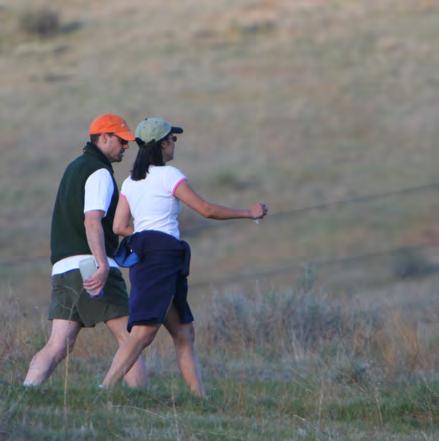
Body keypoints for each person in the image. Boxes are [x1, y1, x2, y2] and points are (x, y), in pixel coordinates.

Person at [101, 117, 268, 396]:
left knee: (184, 333)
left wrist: (145, 235)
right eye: (172, 139)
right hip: (162, 258)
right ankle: (104, 389)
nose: (174, 143)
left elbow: (119, 227)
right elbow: (206, 210)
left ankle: (200, 398)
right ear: (162, 144)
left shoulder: (131, 182)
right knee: (143, 332)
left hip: (151, 256)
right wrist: (248, 213)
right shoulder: (169, 175)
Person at [23, 113, 148, 387]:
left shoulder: (73, 168)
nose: (126, 146)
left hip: (63, 268)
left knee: (59, 343)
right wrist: (102, 265)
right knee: (131, 339)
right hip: (92, 266)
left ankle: (27, 390)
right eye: (121, 141)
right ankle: (141, 400)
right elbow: (92, 220)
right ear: (104, 137)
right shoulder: (99, 171)